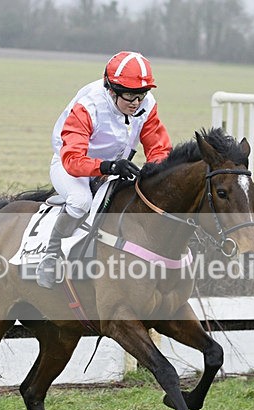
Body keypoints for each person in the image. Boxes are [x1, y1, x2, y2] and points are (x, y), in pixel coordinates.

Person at [36, 51, 173, 288]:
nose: (136, 103)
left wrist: (155, 172)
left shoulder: (146, 105)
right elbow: (73, 159)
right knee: (80, 202)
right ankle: (52, 254)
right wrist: (107, 166)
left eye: (141, 95)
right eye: (130, 96)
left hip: (114, 167)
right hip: (70, 165)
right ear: (111, 89)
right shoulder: (89, 106)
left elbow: (159, 148)